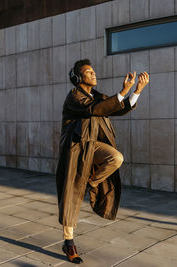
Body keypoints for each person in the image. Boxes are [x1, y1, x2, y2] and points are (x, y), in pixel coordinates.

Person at [55, 58, 149, 263]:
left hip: (93, 146)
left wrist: (136, 90)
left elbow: (117, 108)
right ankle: (69, 243)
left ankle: (92, 182)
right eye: (89, 72)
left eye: (93, 71)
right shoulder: (74, 97)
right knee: (71, 195)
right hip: (77, 149)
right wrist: (122, 92)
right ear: (78, 77)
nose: (93, 74)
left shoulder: (97, 96)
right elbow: (95, 110)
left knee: (116, 157)